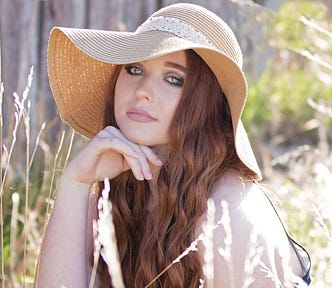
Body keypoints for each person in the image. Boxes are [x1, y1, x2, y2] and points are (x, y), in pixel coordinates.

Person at [35, 3, 311, 288]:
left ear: (206, 105)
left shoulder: (227, 215)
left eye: (174, 79)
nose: (142, 91)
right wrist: (74, 184)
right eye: (134, 69)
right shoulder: (117, 194)